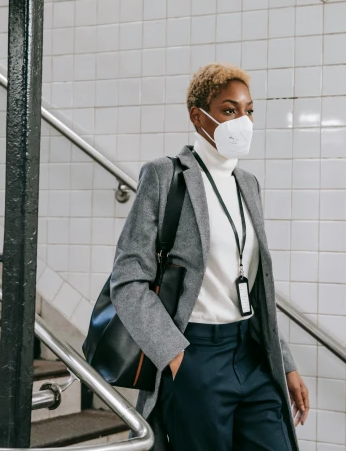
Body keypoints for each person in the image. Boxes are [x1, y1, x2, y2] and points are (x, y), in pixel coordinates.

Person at [109, 63, 309, 451]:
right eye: (229, 110)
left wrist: (286, 363)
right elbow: (128, 279)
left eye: (249, 111)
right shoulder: (166, 176)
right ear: (198, 117)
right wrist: (173, 353)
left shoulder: (247, 184)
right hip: (195, 353)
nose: (243, 121)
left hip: (251, 353)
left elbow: (255, 288)